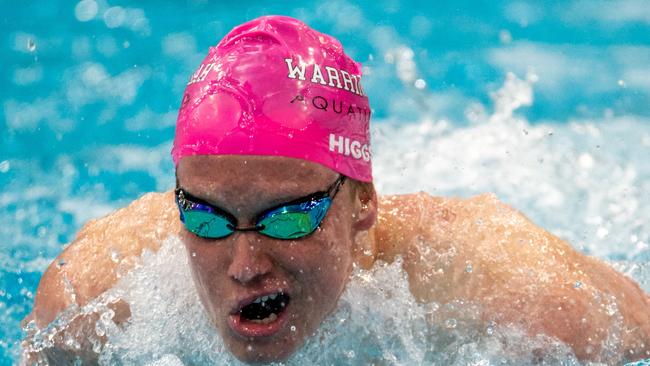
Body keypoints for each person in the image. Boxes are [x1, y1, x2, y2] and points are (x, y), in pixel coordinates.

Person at [23, 15, 650, 365]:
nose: (245, 265)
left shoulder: (519, 299)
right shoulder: (90, 299)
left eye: (288, 218)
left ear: (362, 202)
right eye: (208, 220)